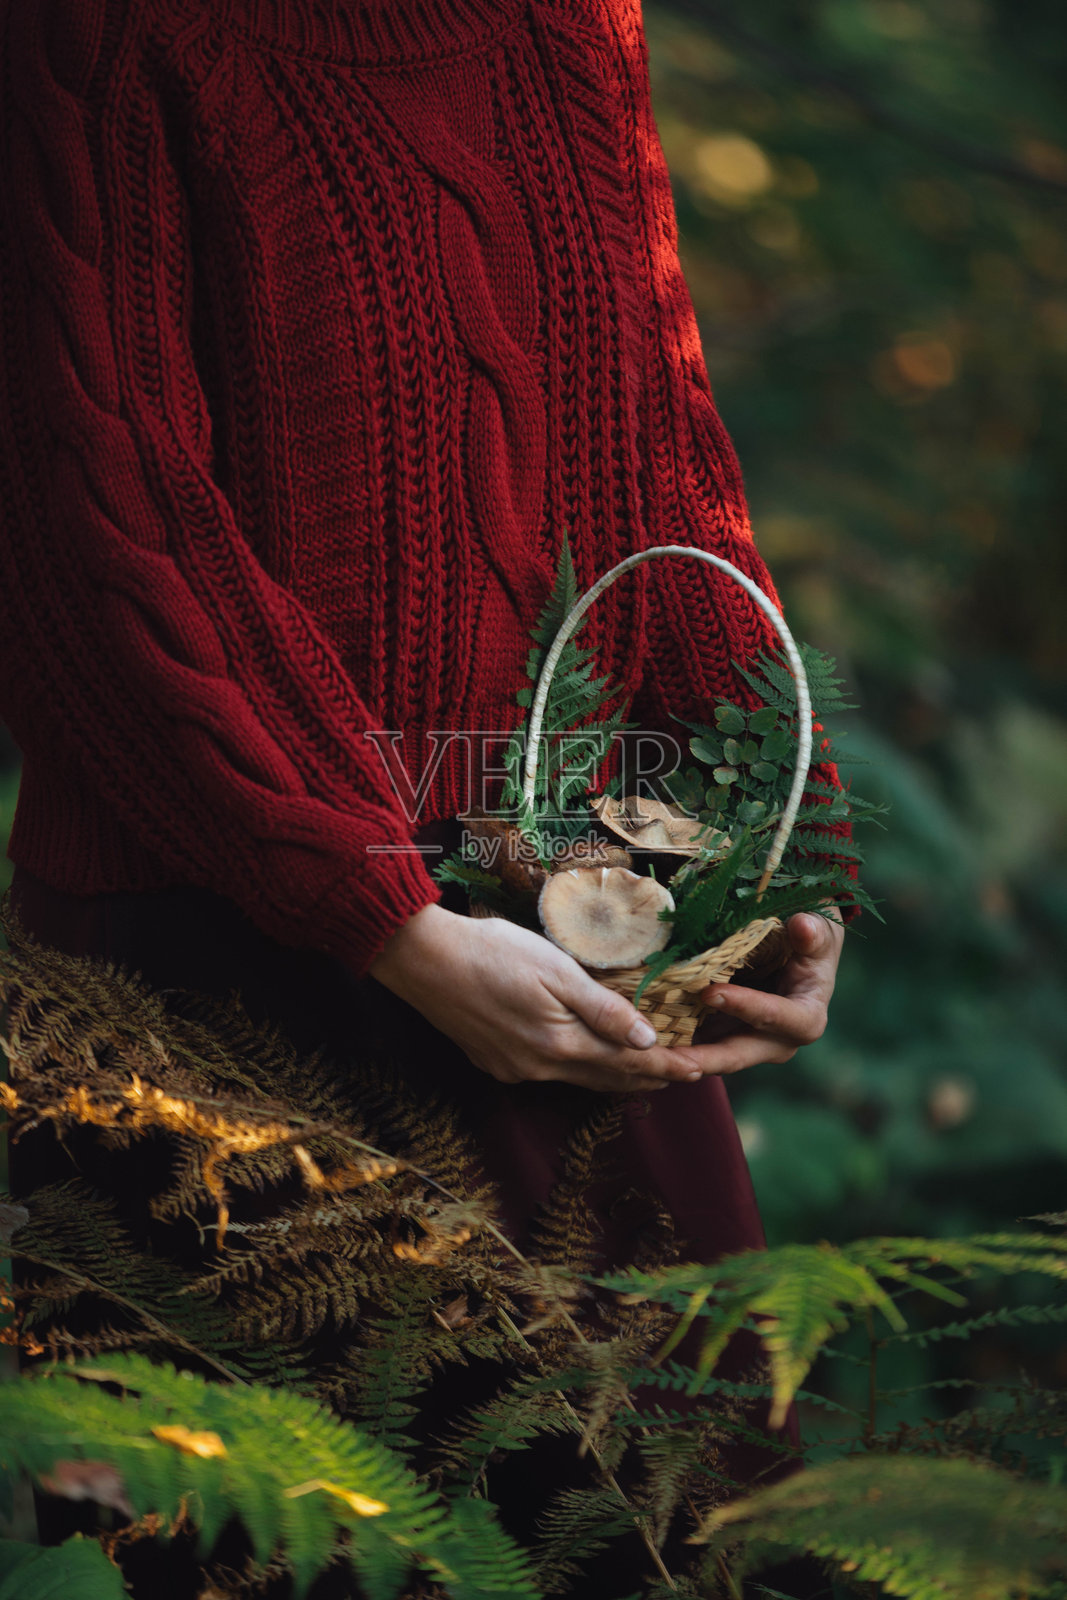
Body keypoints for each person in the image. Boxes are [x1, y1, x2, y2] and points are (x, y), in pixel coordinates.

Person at [0, 0, 845, 1588]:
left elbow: (653, 446)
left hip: (566, 925)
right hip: (213, 969)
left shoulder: (568, 20)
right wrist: (378, 910)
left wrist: (782, 841)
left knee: (699, 1534)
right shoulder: (94, 31)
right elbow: (91, 523)